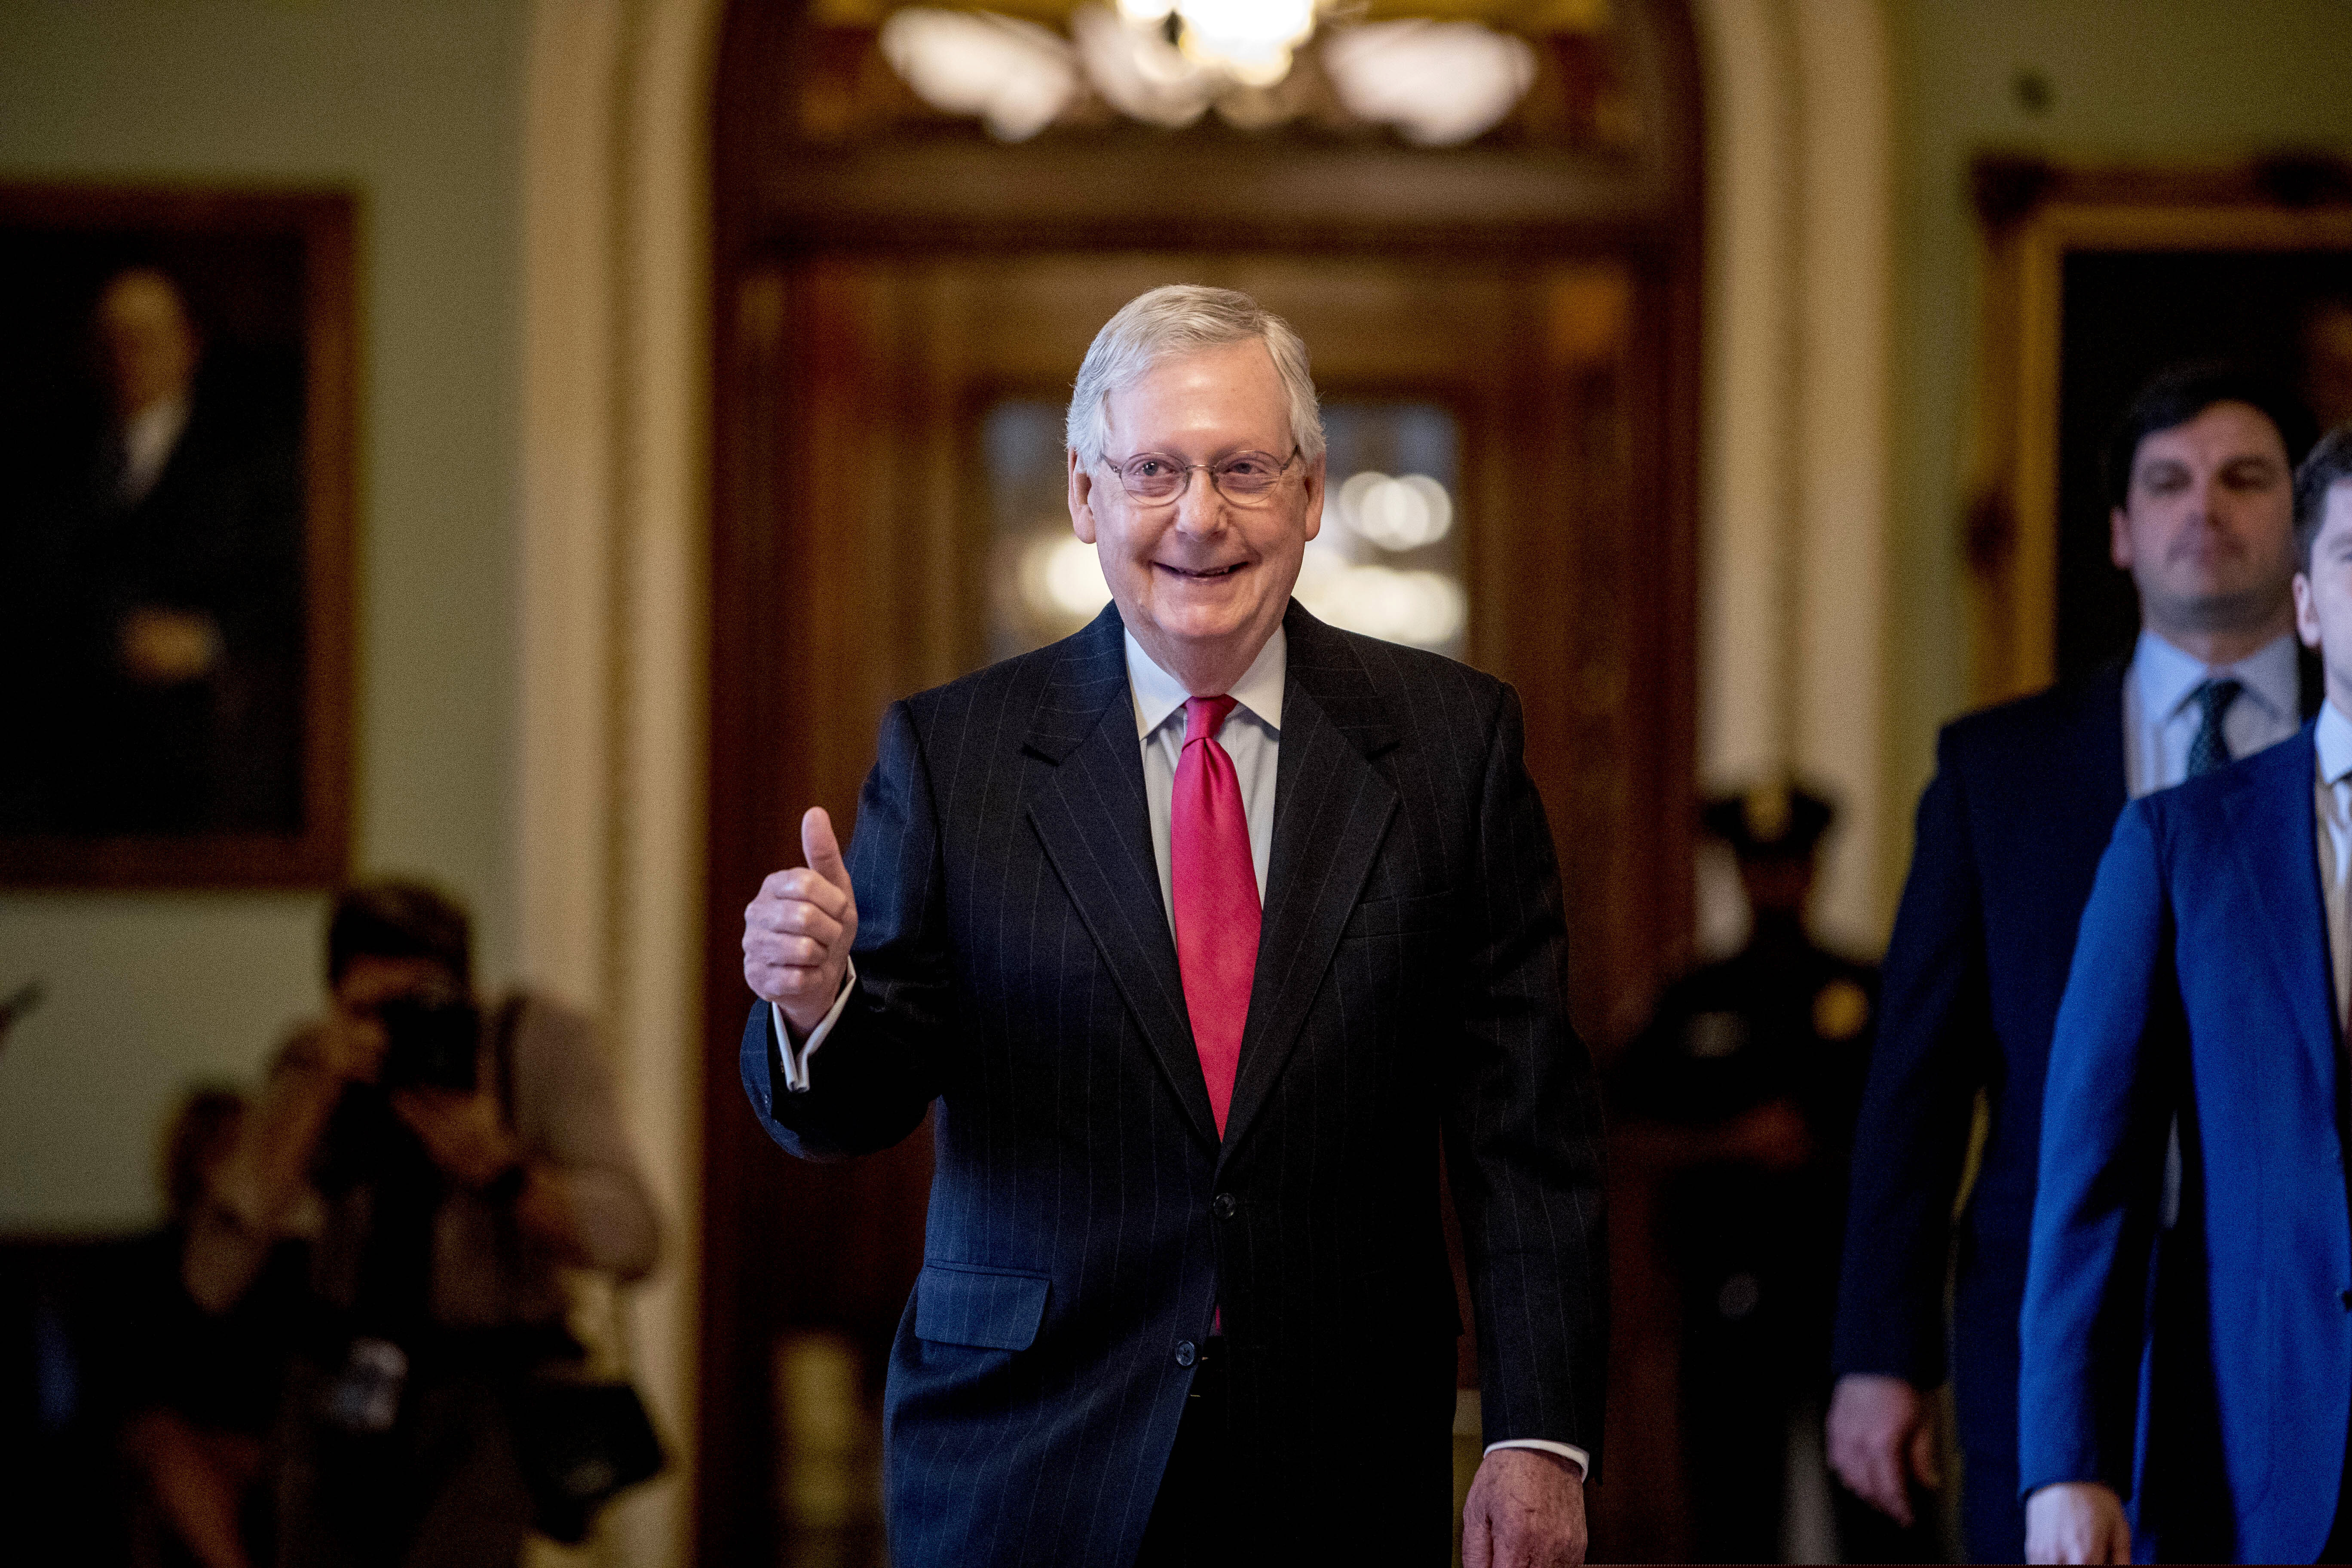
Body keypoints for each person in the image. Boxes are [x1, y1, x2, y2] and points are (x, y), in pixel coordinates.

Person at [738, 285, 1606, 1567]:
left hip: (1342, 1458)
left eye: (1244, 469)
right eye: (1154, 470)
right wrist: (817, 1009)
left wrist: (1540, 1434)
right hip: (1027, 1450)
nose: (1200, 516)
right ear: (1087, 500)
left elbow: (1521, 1128)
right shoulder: (956, 752)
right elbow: (866, 1090)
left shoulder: (1449, 746)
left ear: (1311, 496)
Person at [1829, 364, 2317, 1560]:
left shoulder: (2341, 755)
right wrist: (1881, 1352)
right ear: (2120, 531)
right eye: (2170, 483)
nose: (2206, 508)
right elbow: (1918, 1085)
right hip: (2050, 1331)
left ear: (2303, 530)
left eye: (2246, 478)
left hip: (2304, 1322)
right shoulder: (2001, 771)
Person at [2018, 427, 2352, 1565]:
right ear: (2307, 605)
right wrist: (2068, 1460)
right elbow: (2092, 1174)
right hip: (2267, 1457)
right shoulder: (2184, 842)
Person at [185, 882, 661, 1568]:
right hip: (342, 1387)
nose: (399, 1034)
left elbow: (638, 1240)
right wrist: (316, 1090)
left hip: (489, 1394)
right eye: (374, 1010)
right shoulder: (317, 1062)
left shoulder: (534, 1047)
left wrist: (506, 1171)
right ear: (336, 1000)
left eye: (423, 1005)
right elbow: (213, 1273)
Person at [1613, 784, 1927, 1562]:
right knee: (1731, 1513)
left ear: (1813, 871)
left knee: (1878, 1514)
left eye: (1790, 865)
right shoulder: (1689, 996)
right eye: (1759, 866)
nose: (1775, 882)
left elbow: (1914, 1136)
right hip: (1727, 1295)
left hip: (1844, 1295)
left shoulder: (1866, 990)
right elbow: (1623, 1134)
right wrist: (1734, 1143)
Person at [49, 266, 305, 834]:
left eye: (146, 336)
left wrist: (208, 641)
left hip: (200, 751)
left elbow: (291, 589)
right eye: (112, 338)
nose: (127, 354)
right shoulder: (53, 460)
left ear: (189, 344)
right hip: (68, 749)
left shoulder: (248, 462)